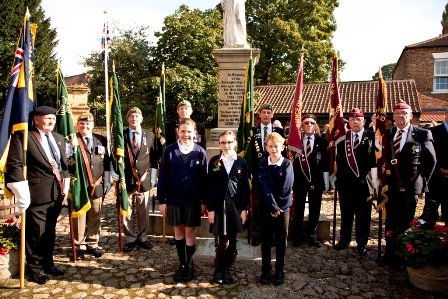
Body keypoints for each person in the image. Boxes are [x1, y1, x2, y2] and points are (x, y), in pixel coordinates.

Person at [6, 106, 70, 284]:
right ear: (36, 119)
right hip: (35, 194)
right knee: (35, 233)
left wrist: (66, 186)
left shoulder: (58, 138)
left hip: (56, 193)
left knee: (49, 232)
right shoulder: (24, 137)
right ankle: (35, 269)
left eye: (53, 119)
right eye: (47, 118)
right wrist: (22, 193)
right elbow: (14, 165)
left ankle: (48, 263)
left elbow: (63, 165)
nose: (51, 121)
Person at [381, 100, 436, 267]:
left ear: (411, 116)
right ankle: (389, 253)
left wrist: (422, 182)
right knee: (390, 221)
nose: (400, 116)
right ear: (393, 116)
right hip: (390, 187)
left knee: (405, 222)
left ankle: (402, 256)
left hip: (410, 186)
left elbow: (431, 161)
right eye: (397, 113)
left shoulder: (422, 134)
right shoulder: (387, 133)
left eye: (404, 113)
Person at [158, 118, 207, 282]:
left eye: (189, 132)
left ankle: (190, 264)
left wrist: (204, 201)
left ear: (195, 133)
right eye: (183, 131)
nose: (186, 134)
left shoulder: (200, 152)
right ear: (177, 132)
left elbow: (204, 179)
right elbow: (163, 176)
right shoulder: (170, 151)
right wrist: (162, 200)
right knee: (178, 231)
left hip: (193, 200)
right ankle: (182, 264)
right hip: (174, 199)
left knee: (190, 231)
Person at [207, 130, 250, 285]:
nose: (226, 145)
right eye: (223, 142)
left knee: (232, 240)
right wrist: (210, 209)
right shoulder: (214, 161)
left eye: (229, 142)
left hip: (235, 205)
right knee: (222, 241)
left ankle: (226, 268)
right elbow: (210, 186)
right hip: (219, 205)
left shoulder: (241, 162)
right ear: (219, 144)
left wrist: (244, 209)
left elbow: (245, 187)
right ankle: (218, 269)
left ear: (235, 143)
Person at [333, 108, 377, 256]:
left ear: (364, 121)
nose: (355, 122)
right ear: (348, 122)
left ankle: (361, 243)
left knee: (363, 216)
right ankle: (344, 240)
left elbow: (376, 162)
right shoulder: (342, 139)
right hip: (346, 184)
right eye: (352, 120)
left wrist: (377, 183)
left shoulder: (372, 137)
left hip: (365, 184)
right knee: (346, 215)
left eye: (358, 119)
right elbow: (338, 161)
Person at [72, 112, 111, 260]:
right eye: (82, 123)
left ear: (93, 125)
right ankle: (79, 244)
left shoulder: (101, 140)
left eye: (88, 123)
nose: (85, 126)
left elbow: (106, 162)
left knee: (95, 213)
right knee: (79, 216)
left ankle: (93, 243)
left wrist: (107, 180)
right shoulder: (72, 140)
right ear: (78, 124)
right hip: (79, 185)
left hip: (97, 184)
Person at [257, 132, 293, 286]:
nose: (273, 149)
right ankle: (265, 270)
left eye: (276, 146)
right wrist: (272, 207)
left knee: (280, 240)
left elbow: (286, 188)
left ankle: (279, 270)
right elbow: (263, 186)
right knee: (265, 240)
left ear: (282, 147)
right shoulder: (262, 164)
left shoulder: (287, 164)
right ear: (266, 147)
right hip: (266, 208)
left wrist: (278, 208)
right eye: (270, 146)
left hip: (282, 209)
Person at [250, 103, 285, 246]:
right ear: (259, 114)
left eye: (268, 112)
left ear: (272, 114)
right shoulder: (253, 130)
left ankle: (272, 235)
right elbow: (251, 153)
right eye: (263, 112)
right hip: (259, 174)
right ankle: (258, 235)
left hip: (275, 173)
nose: (265, 115)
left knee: (274, 204)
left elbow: (283, 151)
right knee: (258, 206)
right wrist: (251, 173)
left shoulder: (279, 131)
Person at [291, 114, 329, 248]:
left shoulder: (323, 142)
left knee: (315, 209)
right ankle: (297, 235)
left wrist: (326, 182)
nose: (309, 125)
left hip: (316, 181)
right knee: (298, 209)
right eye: (306, 123)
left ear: (316, 126)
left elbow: (325, 164)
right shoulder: (295, 142)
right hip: (299, 181)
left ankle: (311, 235)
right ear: (301, 125)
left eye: (312, 123)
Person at [121, 107, 155, 252]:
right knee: (126, 211)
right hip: (127, 180)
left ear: (141, 119)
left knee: (143, 211)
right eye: (131, 116)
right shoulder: (121, 135)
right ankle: (130, 238)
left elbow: (153, 157)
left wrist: (153, 176)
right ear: (127, 119)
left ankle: (143, 237)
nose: (134, 118)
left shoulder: (150, 135)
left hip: (144, 179)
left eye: (137, 116)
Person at [423, 109, 448, 227]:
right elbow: (427, 156)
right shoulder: (432, 132)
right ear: (446, 115)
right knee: (430, 216)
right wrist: (439, 170)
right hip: (436, 180)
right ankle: (427, 243)